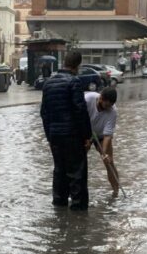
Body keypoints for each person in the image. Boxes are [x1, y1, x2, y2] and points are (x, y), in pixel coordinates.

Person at [41, 50, 91, 210]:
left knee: (59, 170)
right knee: (77, 172)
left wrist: (49, 136)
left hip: (55, 135)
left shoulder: (48, 83)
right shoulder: (74, 82)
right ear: (78, 65)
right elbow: (80, 111)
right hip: (72, 135)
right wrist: (87, 136)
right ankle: (78, 209)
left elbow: (44, 113)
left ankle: (59, 203)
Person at [85, 86, 119, 196]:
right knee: (78, 161)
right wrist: (87, 139)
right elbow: (77, 117)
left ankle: (116, 192)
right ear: (100, 98)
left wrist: (104, 154)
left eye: (110, 106)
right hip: (85, 131)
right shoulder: (88, 98)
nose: (107, 108)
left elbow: (108, 135)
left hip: (101, 135)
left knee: (109, 162)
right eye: (105, 105)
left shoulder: (113, 111)